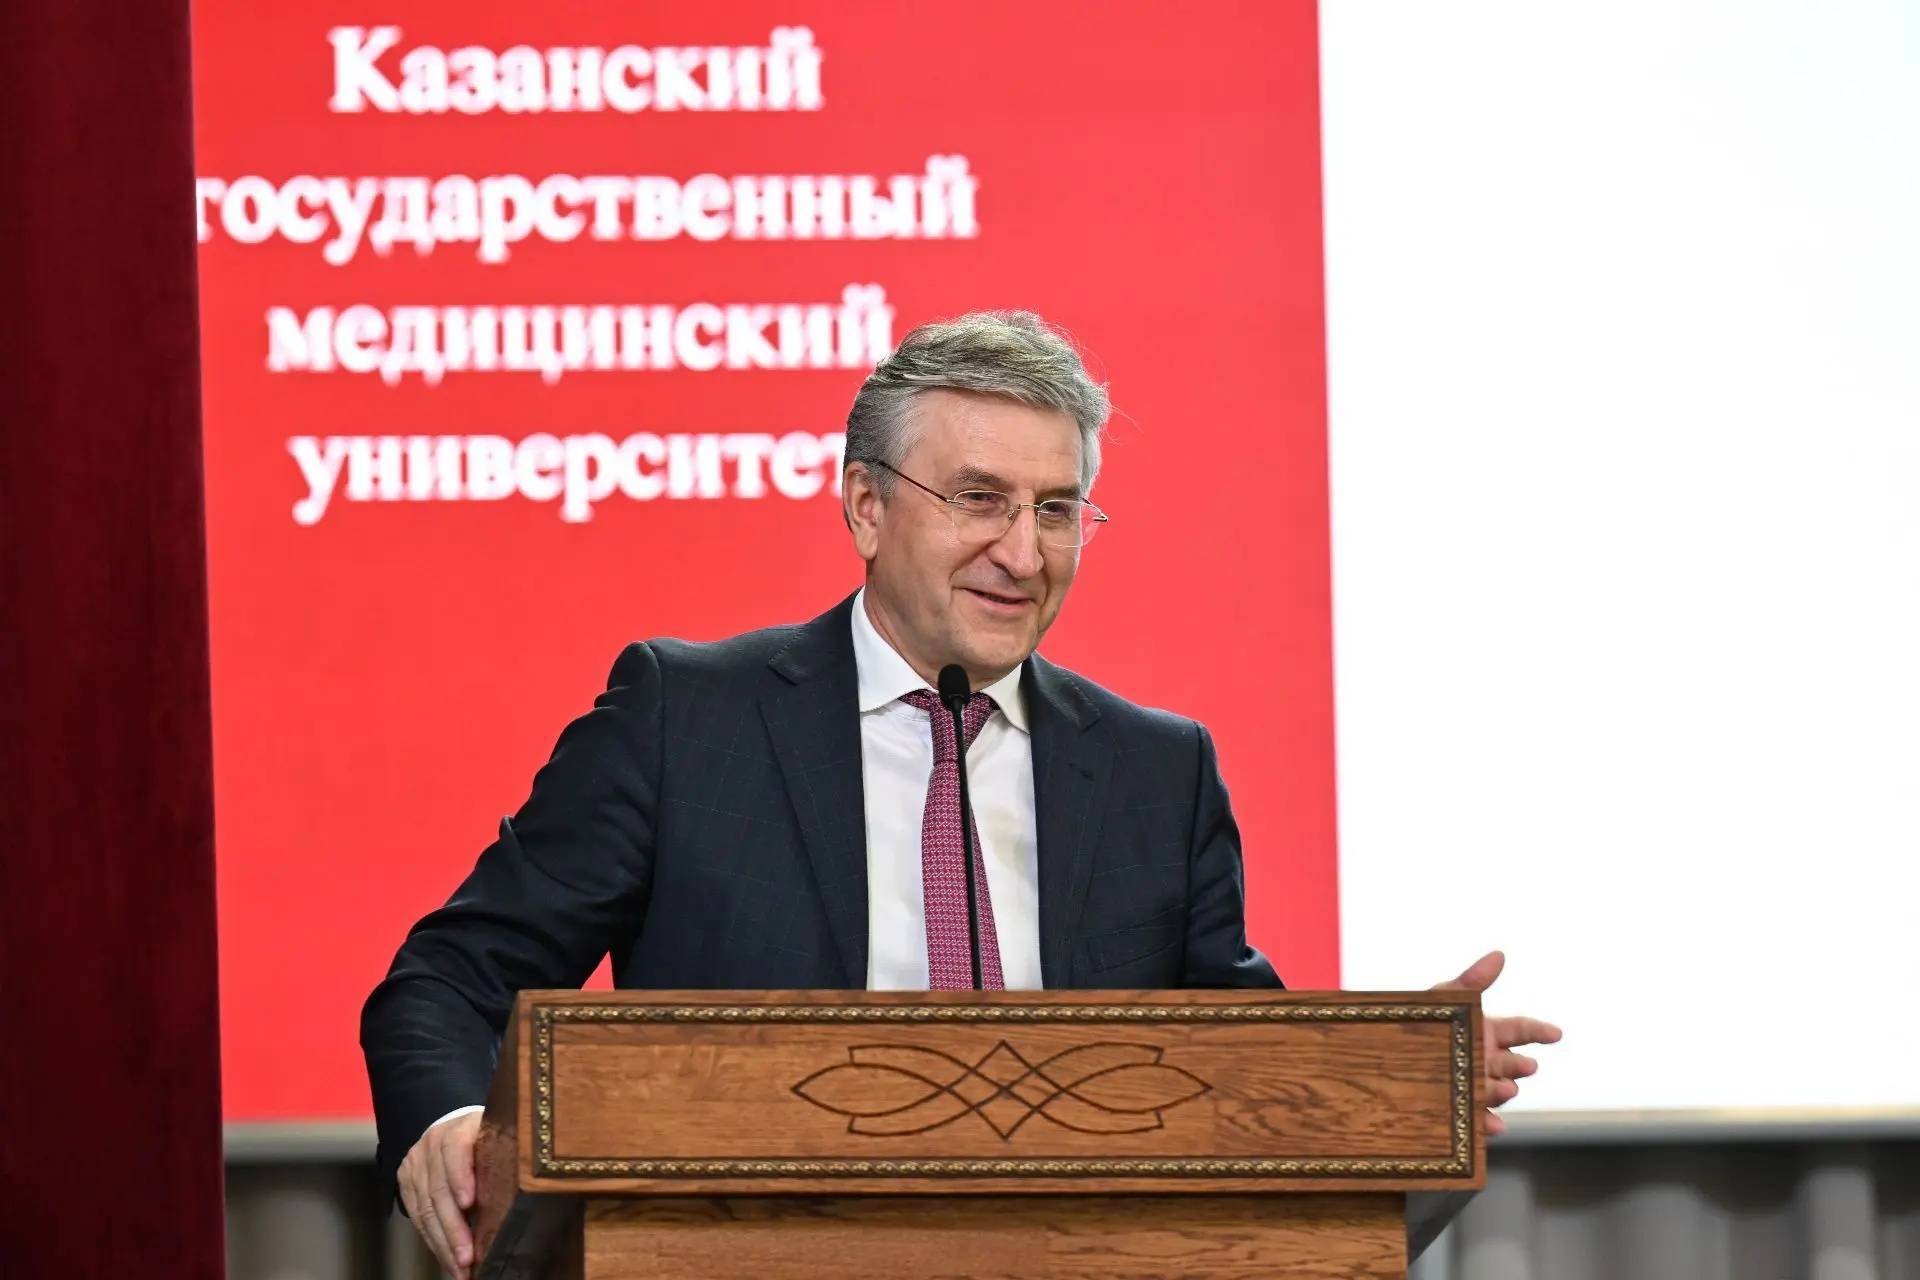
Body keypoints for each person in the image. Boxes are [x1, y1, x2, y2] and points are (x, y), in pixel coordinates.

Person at [361, 310, 1561, 1278]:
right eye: (980, 498)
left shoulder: (1157, 770)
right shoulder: (688, 718)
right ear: (865, 505)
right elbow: (447, 978)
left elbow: (1229, 1060)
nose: (1023, 553)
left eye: (1056, 509)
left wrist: (1388, 1074)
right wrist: (450, 1122)